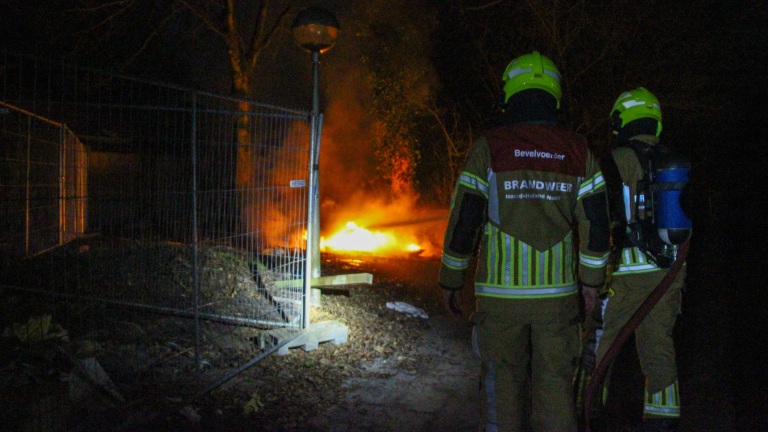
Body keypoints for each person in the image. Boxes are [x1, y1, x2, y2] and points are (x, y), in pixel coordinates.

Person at [438, 50, 610, 432]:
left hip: (500, 301)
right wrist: (590, 285)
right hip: (558, 301)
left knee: (503, 387)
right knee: (556, 391)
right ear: (555, 95)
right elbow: (597, 225)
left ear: (509, 94)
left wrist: (451, 280)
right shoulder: (579, 150)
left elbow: (465, 220)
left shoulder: (488, 148)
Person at [589, 87, 688, 432]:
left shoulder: (612, 160)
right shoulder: (673, 161)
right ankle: (662, 422)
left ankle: (588, 412)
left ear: (621, 121)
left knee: (601, 345)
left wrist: (593, 274)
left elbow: (599, 222)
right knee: (658, 347)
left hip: (624, 275)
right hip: (668, 273)